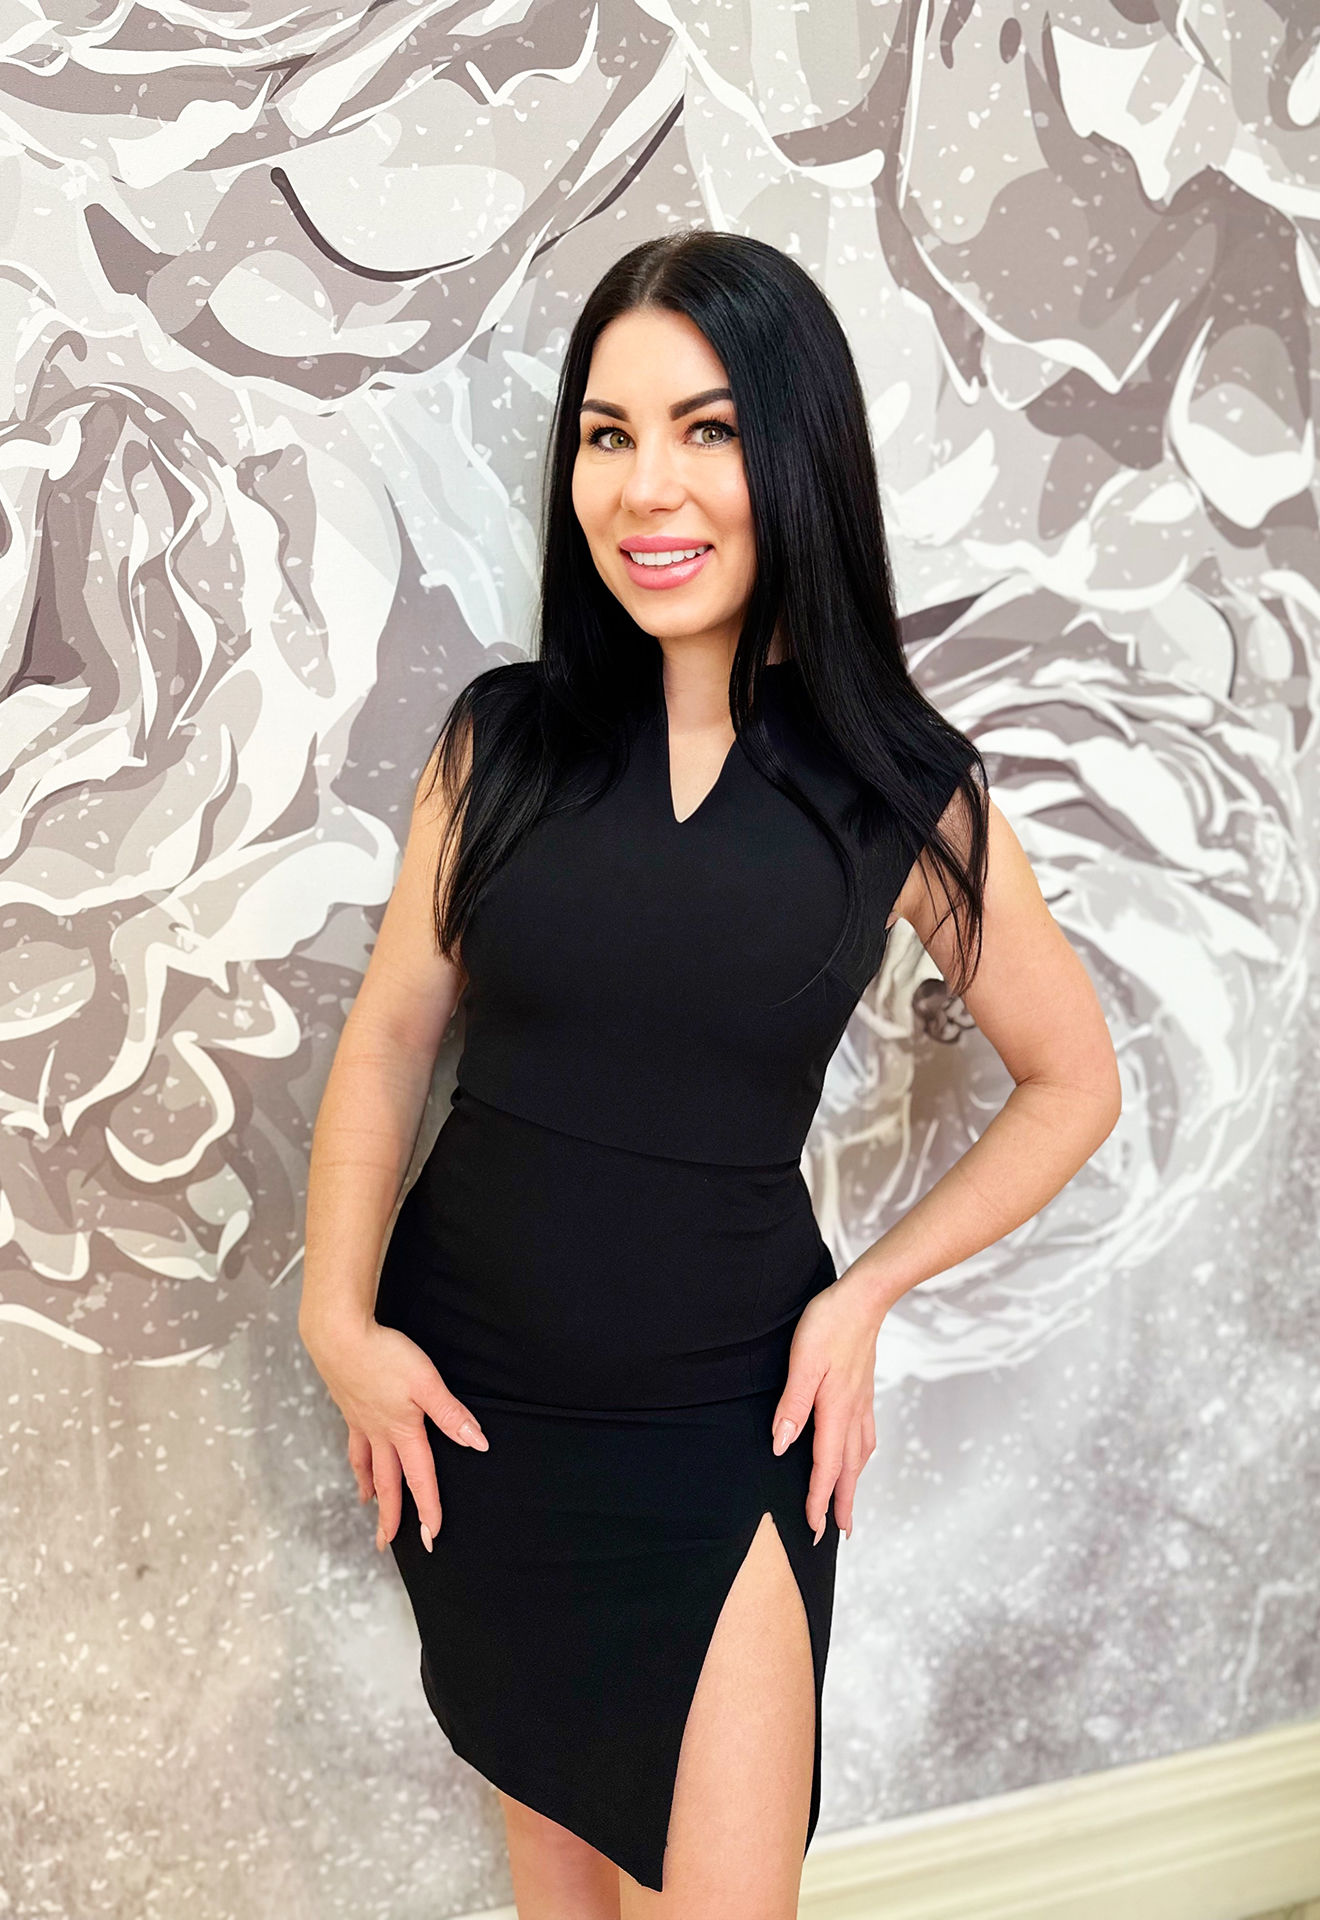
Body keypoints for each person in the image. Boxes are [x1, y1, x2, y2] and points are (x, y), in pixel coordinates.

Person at [298, 229, 1122, 1920]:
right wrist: (336, 1322)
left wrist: (867, 1295)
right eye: (609, 434)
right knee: (558, 1877)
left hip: (721, 1419)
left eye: (710, 428)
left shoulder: (904, 788)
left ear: (798, 452)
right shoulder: (499, 743)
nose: (647, 486)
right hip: (475, 1410)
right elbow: (388, 1040)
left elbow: (1074, 1080)